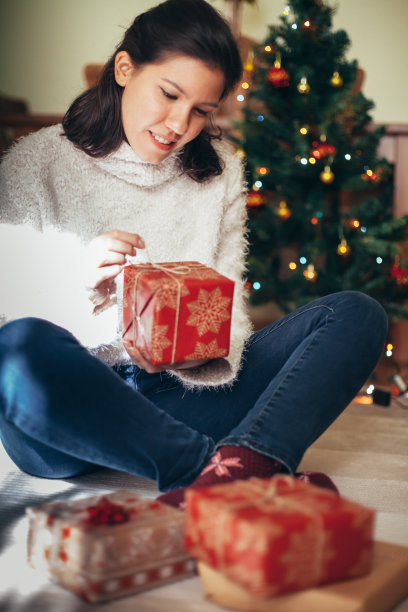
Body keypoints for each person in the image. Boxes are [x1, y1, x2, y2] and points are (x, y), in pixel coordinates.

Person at [0, 0, 387, 509]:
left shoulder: (221, 172)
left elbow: (230, 318)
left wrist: (196, 347)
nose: (179, 124)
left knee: (356, 313)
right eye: (168, 94)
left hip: (177, 396)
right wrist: (76, 275)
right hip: (69, 412)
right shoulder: (36, 162)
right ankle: (215, 470)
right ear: (124, 69)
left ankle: (239, 462)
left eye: (201, 111)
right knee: (17, 346)